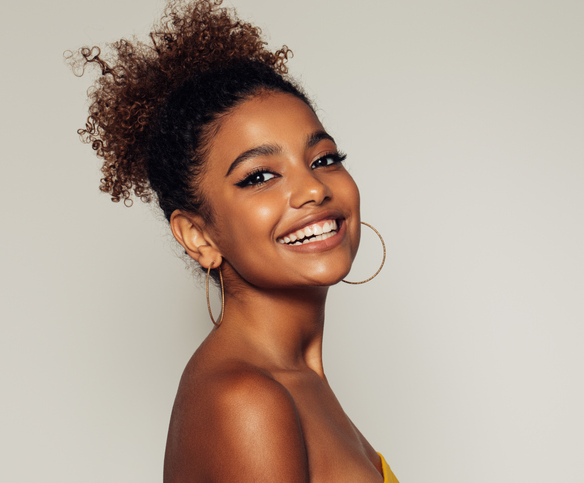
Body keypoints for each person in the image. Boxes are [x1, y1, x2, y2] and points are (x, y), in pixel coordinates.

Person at [70, 0, 398, 481]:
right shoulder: (246, 400)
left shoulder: (296, 381)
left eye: (325, 158)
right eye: (260, 176)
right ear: (198, 235)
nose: (313, 189)